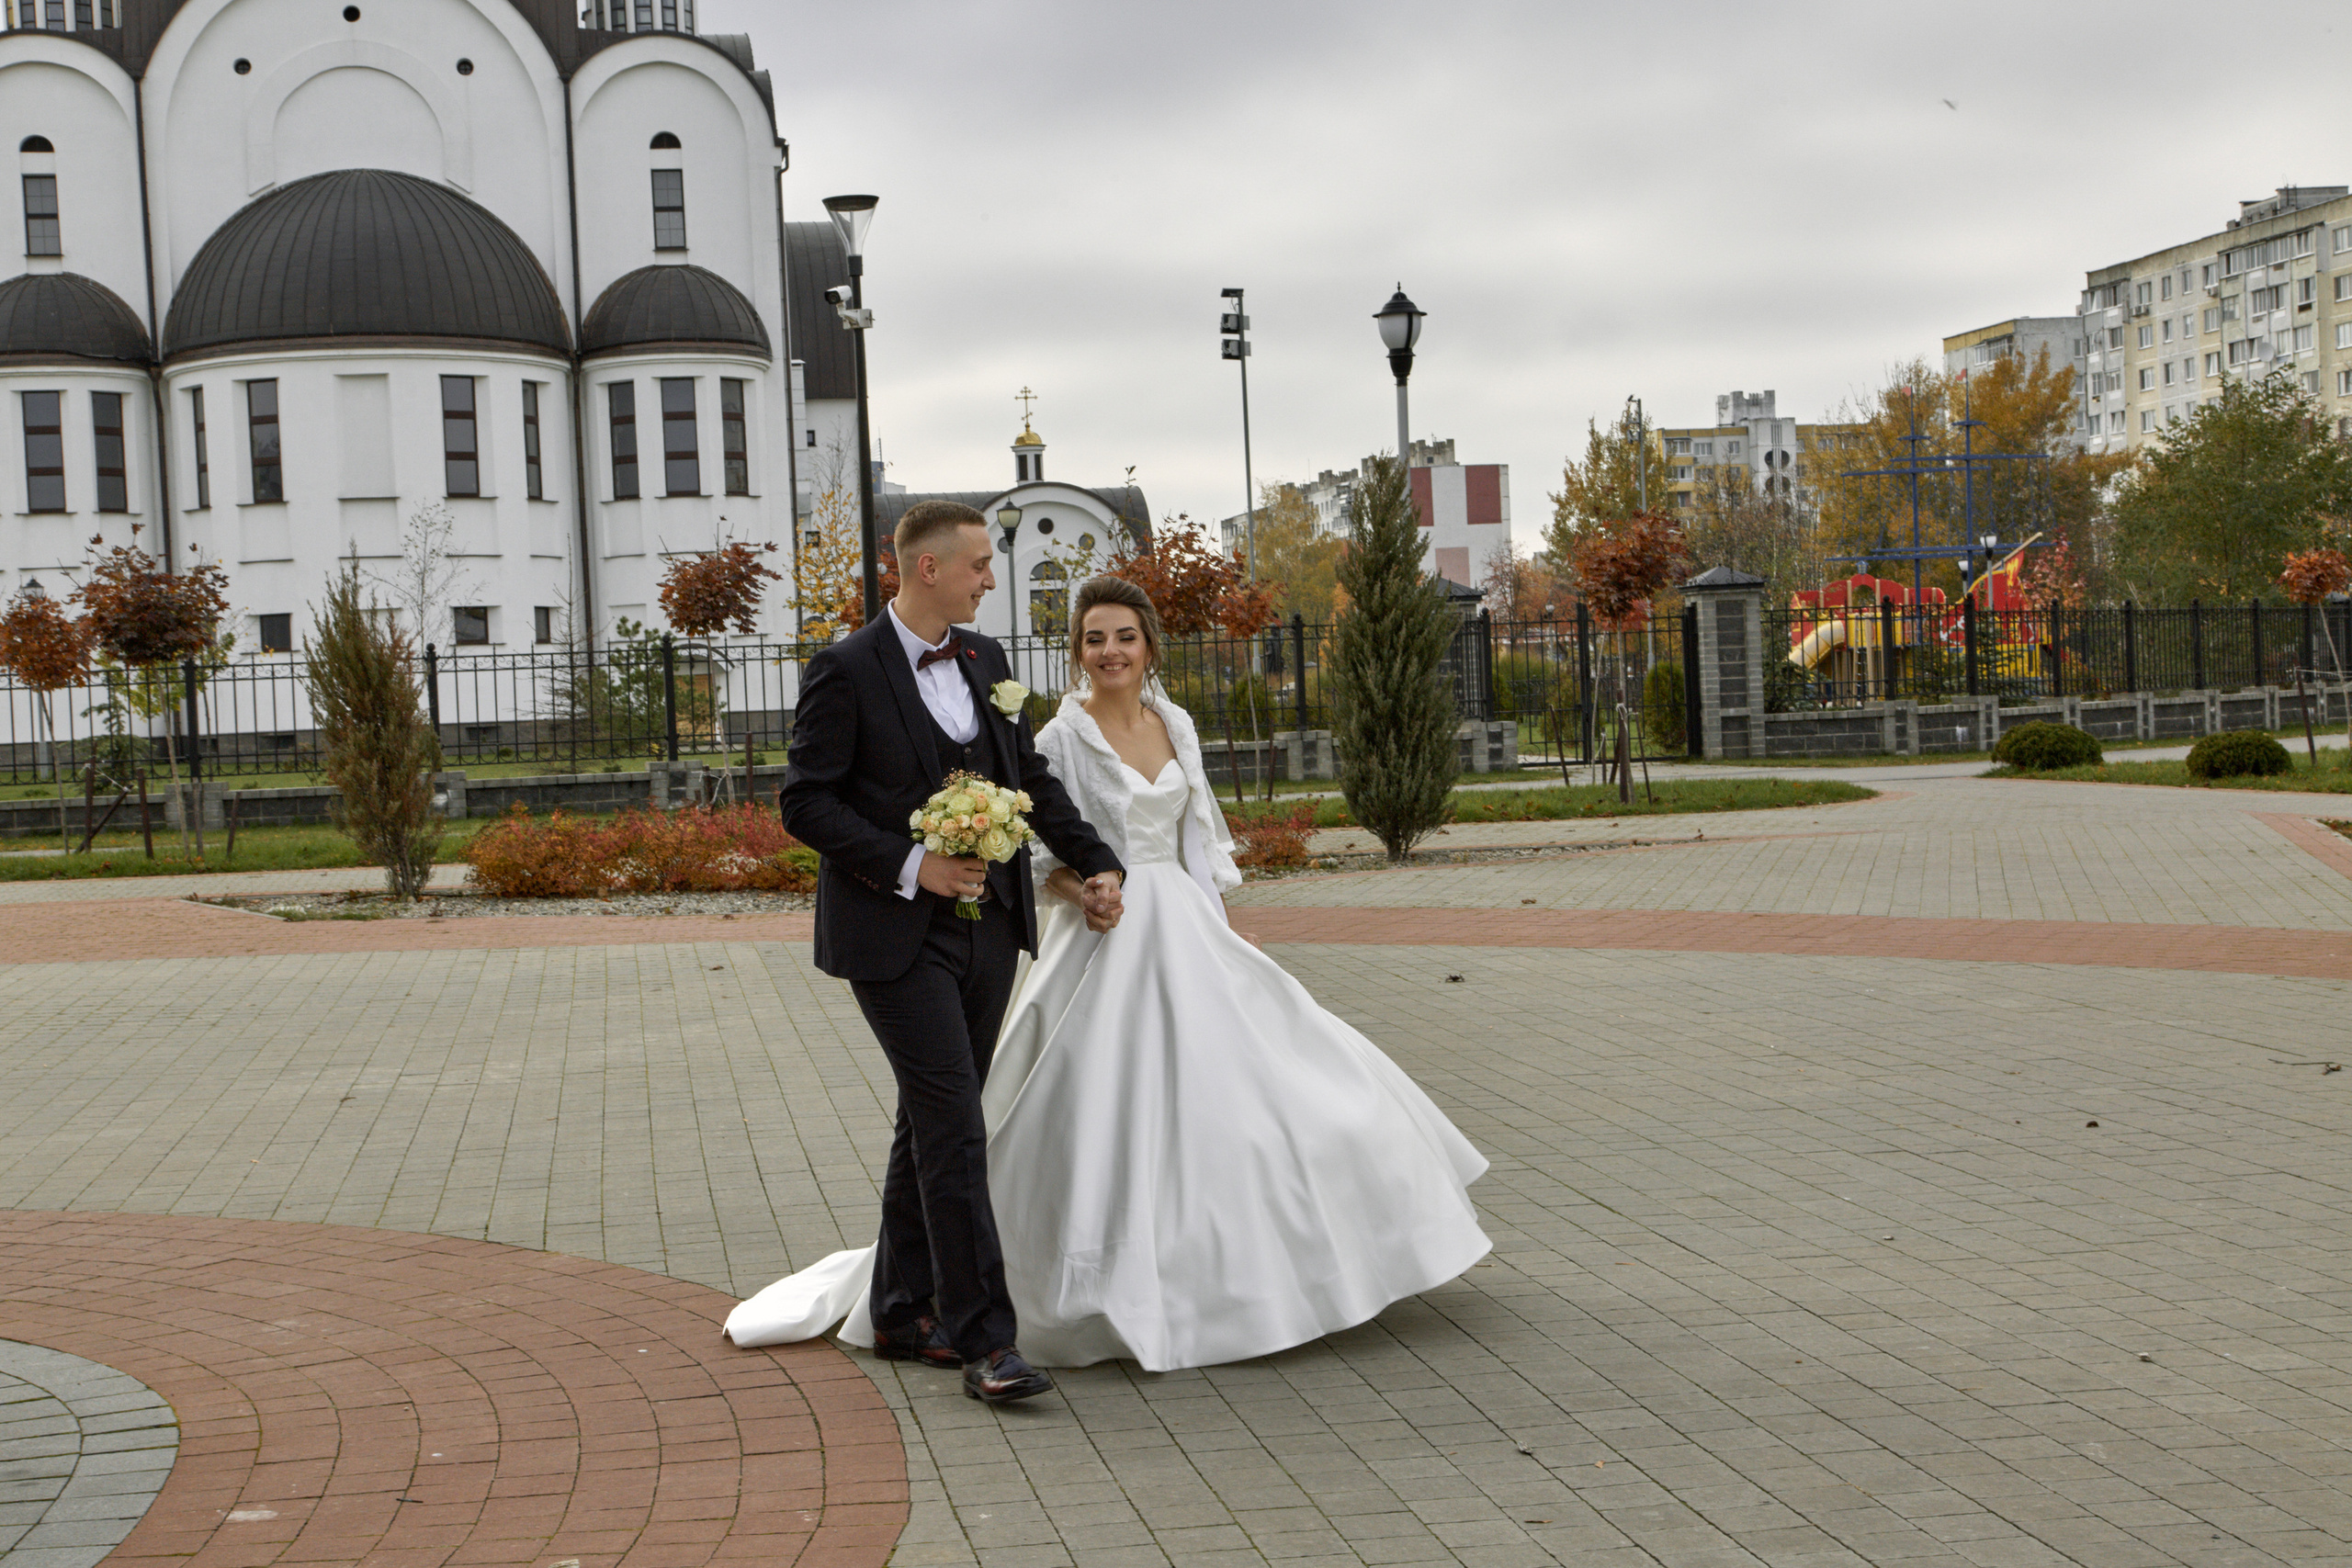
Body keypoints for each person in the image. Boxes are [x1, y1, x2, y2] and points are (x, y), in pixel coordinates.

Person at [730, 575, 1489, 1372]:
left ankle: (1263, 1275)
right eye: (1094, 638)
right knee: (1067, 1118)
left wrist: (1224, 929)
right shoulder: (1061, 733)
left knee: (1272, 1102)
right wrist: (1087, 884)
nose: (1110, 651)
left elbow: (1197, 837)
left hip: (1188, 931)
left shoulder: (1178, 723)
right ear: (1078, 652)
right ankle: (969, 1300)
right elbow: (1036, 842)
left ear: (1149, 646)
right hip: (1104, 939)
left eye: (1124, 636)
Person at [769, 500, 1126, 1404]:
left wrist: (1096, 862)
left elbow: (1029, 780)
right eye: (979, 564)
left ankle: (896, 1308)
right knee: (955, 1126)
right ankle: (984, 1342)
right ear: (927, 570)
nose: (990, 579)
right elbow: (805, 803)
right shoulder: (845, 670)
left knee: (935, 1117)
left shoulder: (987, 661)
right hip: (888, 933)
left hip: (990, 927)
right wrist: (909, 864)